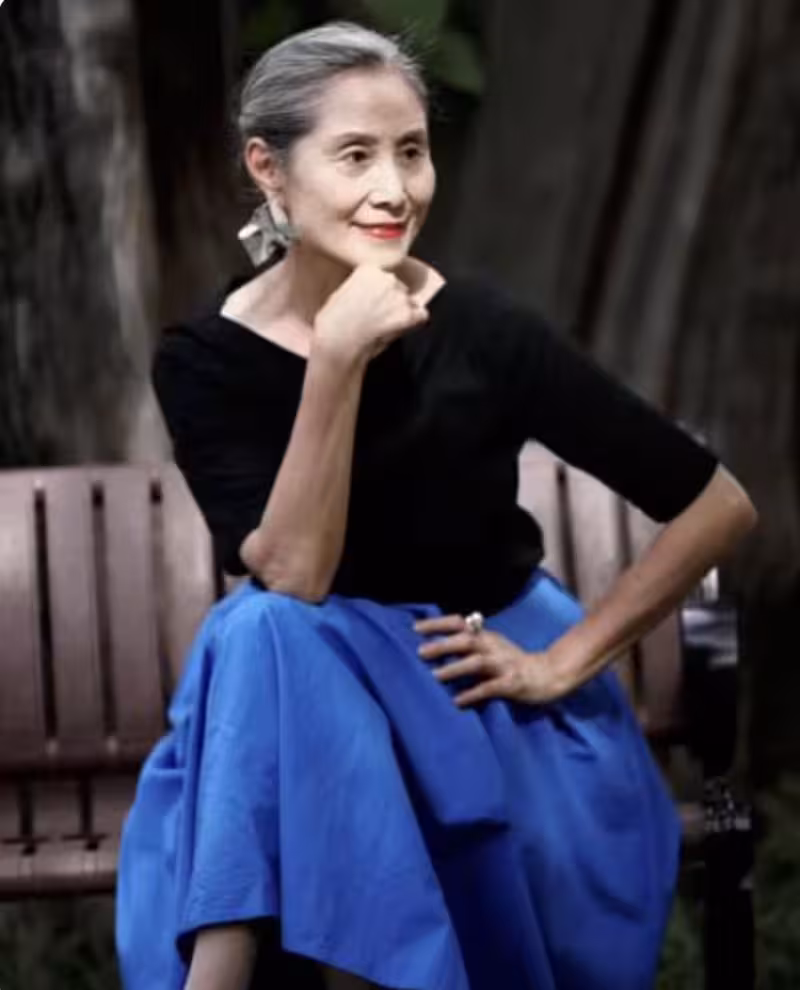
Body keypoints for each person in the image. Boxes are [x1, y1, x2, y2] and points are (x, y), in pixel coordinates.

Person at [115, 20, 758, 990]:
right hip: (313, 703)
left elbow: (717, 504)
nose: (394, 188)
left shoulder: (481, 331)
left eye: (411, 152)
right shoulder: (205, 360)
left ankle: (221, 971)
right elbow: (297, 572)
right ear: (269, 169)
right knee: (266, 630)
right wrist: (336, 361)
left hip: (476, 693)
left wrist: (561, 661)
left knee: (257, 633)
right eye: (355, 155)